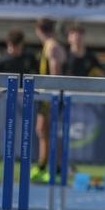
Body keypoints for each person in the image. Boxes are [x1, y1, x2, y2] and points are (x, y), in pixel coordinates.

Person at [31, 17, 66, 182]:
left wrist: (53, 96)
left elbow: (55, 73)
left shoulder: (51, 46)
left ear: (39, 30)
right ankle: (43, 165)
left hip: (51, 95)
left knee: (49, 132)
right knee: (42, 130)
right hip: (47, 95)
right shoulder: (51, 45)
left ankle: (55, 168)